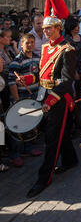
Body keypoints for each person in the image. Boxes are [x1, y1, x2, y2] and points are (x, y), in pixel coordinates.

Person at [26, 0, 78, 198]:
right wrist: (27, 79)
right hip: (46, 95)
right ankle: (71, 160)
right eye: (44, 28)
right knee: (60, 133)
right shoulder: (46, 48)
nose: (45, 32)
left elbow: (65, 82)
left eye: (50, 28)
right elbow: (41, 74)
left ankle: (43, 178)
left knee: (51, 138)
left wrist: (49, 100)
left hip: (59, 98)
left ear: (58, 28)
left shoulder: (68, 50)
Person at [8, 33, 42, 167]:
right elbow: (11, 83)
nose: (30, 45)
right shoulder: (16, 61)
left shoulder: (37, 58)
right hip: (21, 98)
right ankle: (15, 154)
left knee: (30, 123)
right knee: (18, 127)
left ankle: (28, 148)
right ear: (21, 45)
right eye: (27, 42)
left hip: (33, 97)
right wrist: (17, 101)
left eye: (32, 42)